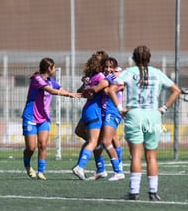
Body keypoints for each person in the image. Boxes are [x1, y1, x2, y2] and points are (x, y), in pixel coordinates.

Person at [108, 45, 180, 201]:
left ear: (133, 58)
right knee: (151, 156)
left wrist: (120, 108)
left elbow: (111, 90)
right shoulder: (157, 73)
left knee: (136, 155)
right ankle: (153, 192)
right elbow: (176, 90)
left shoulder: (129, 72)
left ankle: (134, 192)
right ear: (150, 58)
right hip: (153, 115)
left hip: (134, 115)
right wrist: (163, 108)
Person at [22, 58, 80, 180]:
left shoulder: (50, 80)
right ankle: (27, 165)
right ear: (49, 68)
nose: (54, 69)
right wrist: (68, 94)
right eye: (53, 67)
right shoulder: (37, 79)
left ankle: (41, 172)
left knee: (43, 145)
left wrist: (72, 94)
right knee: (31, 147)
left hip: (44, 118)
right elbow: (52, 91)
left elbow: (59, 88)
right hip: (30, 116)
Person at [83, 57, 125, 181]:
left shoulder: (114, 78)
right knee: (101, 141)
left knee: (106, 141)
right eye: (105, 67)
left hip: (112, 113)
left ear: (115, 69)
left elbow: (100, 89)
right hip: (104, 112)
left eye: (111, 67)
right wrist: (87, 81)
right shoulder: (108, 78)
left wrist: (89, 87)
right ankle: (101, 170)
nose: (108, 69)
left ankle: (118, 171)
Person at [72, 50, 111, 180]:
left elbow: (80, 92)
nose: (108, 68)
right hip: (95, 110)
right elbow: (106, 91)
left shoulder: (91, 77)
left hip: (87, 110)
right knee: (94, 142)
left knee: (82, 134)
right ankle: (80, 167)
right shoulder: (100, 77)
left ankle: (101, 169)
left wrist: (86, 84)